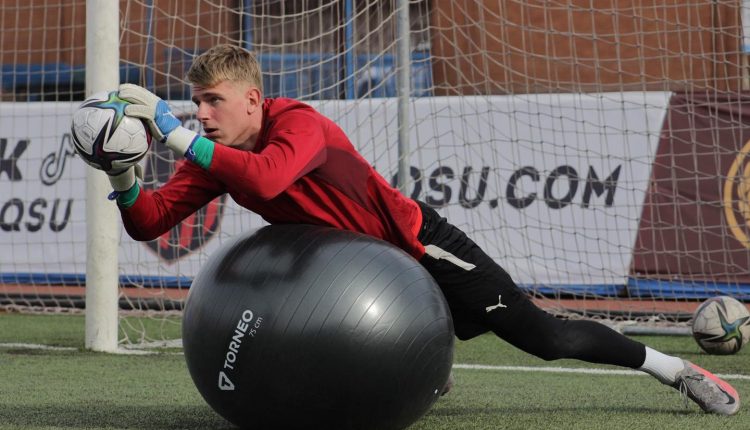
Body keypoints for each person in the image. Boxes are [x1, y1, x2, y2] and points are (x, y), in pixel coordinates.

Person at [105, 44, 738, 415]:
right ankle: (423, 372)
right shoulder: (214, 160)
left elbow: (268, 180)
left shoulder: (298, 122)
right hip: (361, 283)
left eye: (213, 101)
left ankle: (672, 368)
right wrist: (122, 173)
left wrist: (174, 132)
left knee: (545, 337)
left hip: (419, 247)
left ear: (252, 99)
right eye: (196, 102)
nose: (201, 113)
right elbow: (150, 222)